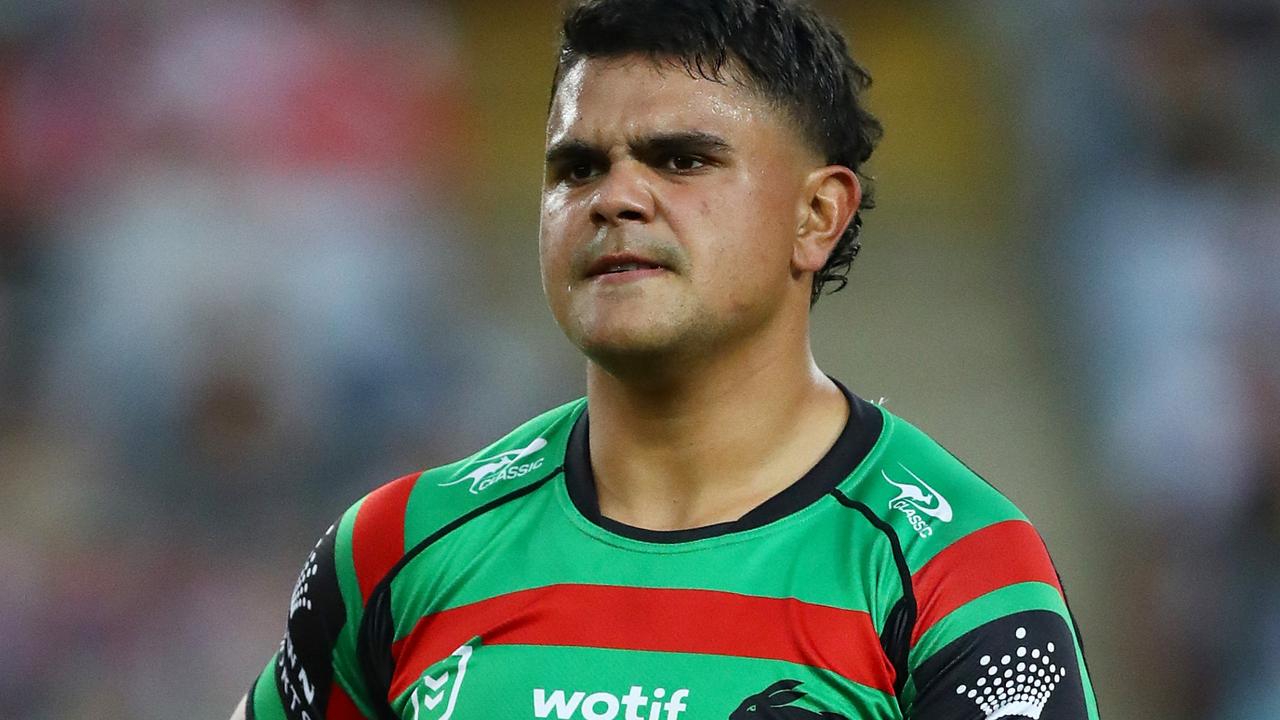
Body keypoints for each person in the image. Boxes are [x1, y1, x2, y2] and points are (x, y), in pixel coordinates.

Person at [231, 1, 1099, 718]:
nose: (614, 197)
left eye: (681, 160)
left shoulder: (955, 571)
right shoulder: (397, 548)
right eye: (576, 169)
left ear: (817, 215)